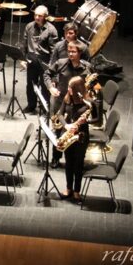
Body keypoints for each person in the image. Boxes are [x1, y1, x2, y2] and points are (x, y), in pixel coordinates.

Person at [43, 41, 91, 169]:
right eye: (69, 51)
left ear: (80, 53)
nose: (70, 54)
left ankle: (77, 160)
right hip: (62, 103)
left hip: (79, 106)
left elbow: (93, 85)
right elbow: (47, 74)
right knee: (59, 132)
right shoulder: (61, 63)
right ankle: (56, 157)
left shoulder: (87, 68)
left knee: (77, 132)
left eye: (73, 51)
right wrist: (51, 87)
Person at [55, 76, 92, 202]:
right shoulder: (67, 99)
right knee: (69, 163)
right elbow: (59, 114)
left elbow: (97, 119)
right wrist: (66, 125)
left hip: (81, 136)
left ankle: (77, 191)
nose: (68, 89)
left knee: (78, 164)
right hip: (69, 134)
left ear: (78, 89)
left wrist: (86, 121)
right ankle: (68, 188)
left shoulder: (87, 103)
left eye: (71, 88)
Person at [21, 5, 58, 114]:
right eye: (35, 15)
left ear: (45, 16)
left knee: (45, 85)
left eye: (40, 16)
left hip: (45, 61)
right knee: (30, 84)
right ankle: (31, 105)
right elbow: (24, 44)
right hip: (32, 60)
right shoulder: (29, 26)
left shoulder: (51, 30)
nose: (37, 17)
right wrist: (23, 59)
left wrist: (52, 66)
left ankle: (45, 107)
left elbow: (53, 51)